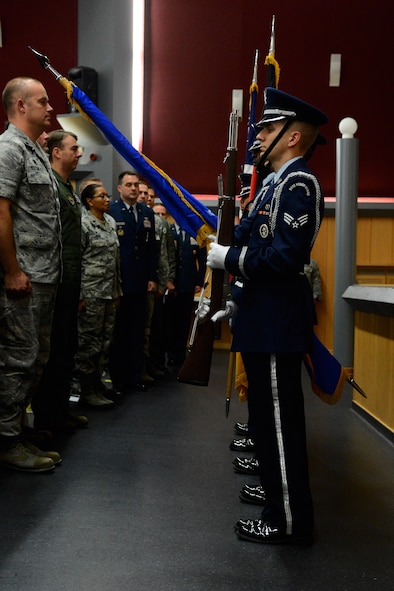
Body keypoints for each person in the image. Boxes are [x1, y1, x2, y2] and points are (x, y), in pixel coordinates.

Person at [207, 87, 328, 544]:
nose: (258, 138)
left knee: (279, 424)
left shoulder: (299, 184)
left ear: (294, 137)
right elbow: (250, 240)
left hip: (276, 319)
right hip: (260, 316)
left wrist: (230, 260)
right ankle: (280, 499)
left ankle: (289, 523)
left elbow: (281, 258)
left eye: (269, 129)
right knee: (266, 416)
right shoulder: (275, 184)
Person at [0, 77, 62, 472]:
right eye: (43, 101)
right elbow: (0, 212)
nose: (50, 107)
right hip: (23, 276)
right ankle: (6, 440)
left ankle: (18, 429)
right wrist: (11, 271)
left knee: (35, 360)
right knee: (17, 360)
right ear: (21, 106)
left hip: (43, 274)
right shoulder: (9, 148)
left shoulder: (33, 151)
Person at [32, 130, 87, 434]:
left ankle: (60, 409)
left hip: (71, 278)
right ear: (56, 152)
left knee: (67, 347)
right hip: (55, 276)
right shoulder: (50, 184)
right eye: (74, 148)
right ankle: (44, 418)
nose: (79, 153)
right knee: (50, 351)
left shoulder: (68, 187)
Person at [108, 171, 157, 392]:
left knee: (138, 332)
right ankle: (118, 379)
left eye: (136, 184)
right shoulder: (112, 210)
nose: (134, 188)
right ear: (120, 188)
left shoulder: (147, 212)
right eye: (129, 185)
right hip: (120, 281)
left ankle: (136, 376)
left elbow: (151, 249)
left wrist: (152, 277)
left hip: (140, 281)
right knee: (120, 333)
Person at [75, 183, 122, 407]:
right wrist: (80, 295)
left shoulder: (110, 222)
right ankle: (86, 390)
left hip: (109, 292)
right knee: (89, 343)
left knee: (105, 342)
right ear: (89, 201)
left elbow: (115, 261)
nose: (106, 199)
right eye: (101, 196)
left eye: (107, 195)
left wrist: (117, 291)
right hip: (91, 292)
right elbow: (76, 260)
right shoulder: (83, 224)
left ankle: (97, 384)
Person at [165, 220, 207, 367]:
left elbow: (202, 259)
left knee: (184, 322)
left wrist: (199, 282)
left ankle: (180, 354)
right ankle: (170, 354)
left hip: (188, 283)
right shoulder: (169, 230)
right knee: (171, 321)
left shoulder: (194, 233)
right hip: (172, 283)